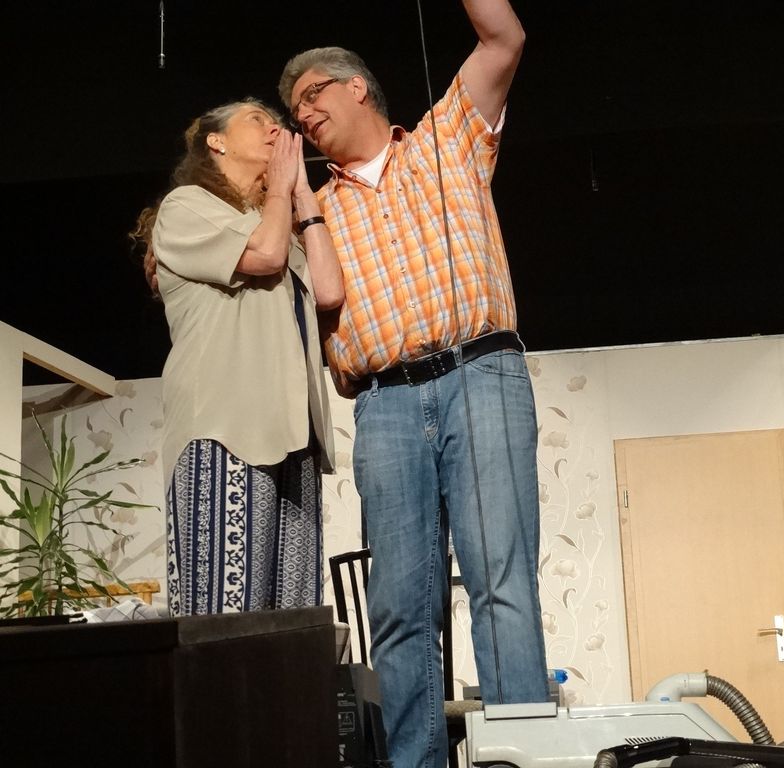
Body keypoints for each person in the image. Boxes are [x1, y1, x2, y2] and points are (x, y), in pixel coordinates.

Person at [278, 2, 546, 766]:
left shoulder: (446, 137)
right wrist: (297, 205)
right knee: (399, 608)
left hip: (481, 373)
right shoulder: (315, 214)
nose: (304, 114)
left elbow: (504, 37)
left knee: (501, 584)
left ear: (359, 87)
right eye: (294, 110)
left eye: (313, 94)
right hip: (385, 403)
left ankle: (520, 756)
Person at [130, 98, 344, 615]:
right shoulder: (187, 206)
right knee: (224, 617)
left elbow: (329, 291)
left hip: (294, 435)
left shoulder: (275, 220)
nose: (275, 129)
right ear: (216, 141)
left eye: (276, 123)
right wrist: (280, 194)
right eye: (257, 120)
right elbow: (265, 256)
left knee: (291, 623)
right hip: (224, 431)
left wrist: (300, 193)